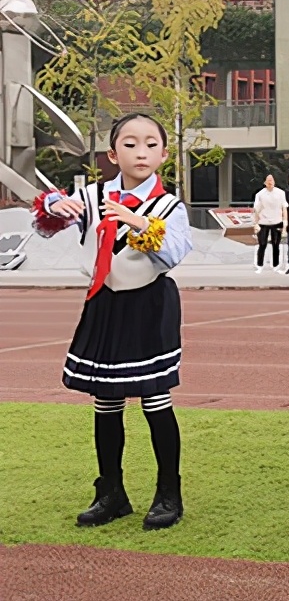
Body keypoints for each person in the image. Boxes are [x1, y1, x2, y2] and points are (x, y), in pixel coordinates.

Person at [31, 113, 194, 531]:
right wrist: (53, 204)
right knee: (106, 402)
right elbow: (46, 227)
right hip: (104, 302)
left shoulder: (170, 205)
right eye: (130, 143)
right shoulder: (93, 195)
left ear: (163, 152)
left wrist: (139, 221)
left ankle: (168, 494)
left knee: (156, 401)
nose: (141, 152)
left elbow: (174, 252)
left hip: (150, 305)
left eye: (151, 144)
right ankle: (111, 493)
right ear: (112, 152)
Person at [252, 173, 287, 274]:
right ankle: (259, 265)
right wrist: (256, 223)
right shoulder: (260, 194)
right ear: (264, 182)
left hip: (277, 221)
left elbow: (284, 208)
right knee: (262, 244)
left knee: (276, 244)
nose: (270, 182)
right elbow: (256, 210)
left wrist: (285, 223)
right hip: (263, 222)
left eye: (272, 180)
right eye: (268, 180)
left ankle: (276, 265)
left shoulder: (280, 193)